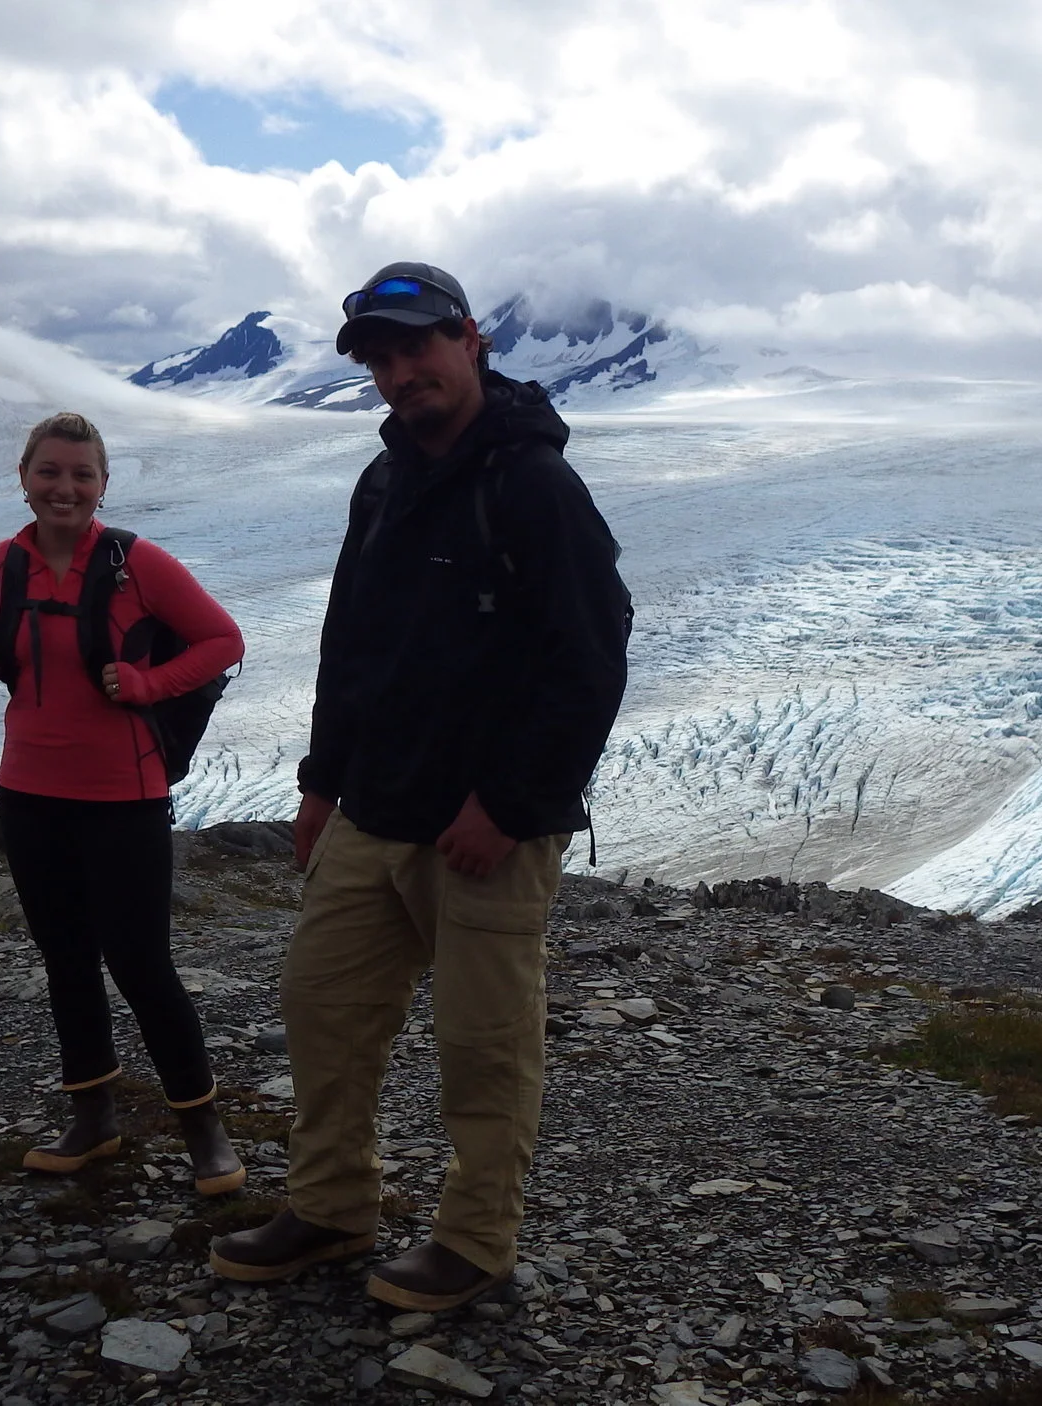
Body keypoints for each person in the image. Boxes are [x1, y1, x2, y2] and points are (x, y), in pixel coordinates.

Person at [210, 263, 631, 1311]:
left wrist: (510, 803)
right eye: (381, 357)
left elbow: (591, 657)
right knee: (323, 1010)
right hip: (374, 807)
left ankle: (476, 1243)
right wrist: (319, 782)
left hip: (481, 827)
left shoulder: (532, 485)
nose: (402, 371)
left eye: (418, 346)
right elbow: (351, 641)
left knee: (483, 1046)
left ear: (469, 338)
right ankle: (331, 1204)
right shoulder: (385, 480)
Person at [0, 410, 248, 1192]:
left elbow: (223, 639)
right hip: (29, 793)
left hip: (124, 795)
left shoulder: (137, 564)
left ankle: (202, 1127)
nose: (65, 487)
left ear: (103, 485)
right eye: (50, 471)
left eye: (82, 474)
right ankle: (93, 1119)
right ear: (24, 480)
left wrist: (151, 684)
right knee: (67, 961)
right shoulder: (3, 565)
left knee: (143, 962)